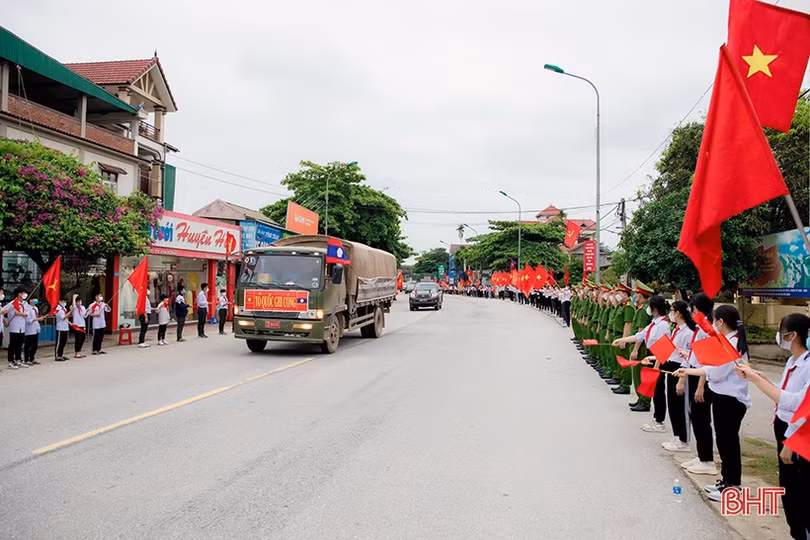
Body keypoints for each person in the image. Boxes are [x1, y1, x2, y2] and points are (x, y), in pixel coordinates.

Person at [735, 313, 810, 539]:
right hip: (784, 426)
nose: (779, 336)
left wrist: (791, 441)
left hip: (798, 433)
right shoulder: (792, 361)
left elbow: (799, 404)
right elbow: (782, 391)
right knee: (788, 489)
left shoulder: (808, 365)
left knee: (800, 491)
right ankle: (796, 532)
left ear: (792, 335)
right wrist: (758, 377)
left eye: (781, 330)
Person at [678, 305, 751, 502]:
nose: (711, 325)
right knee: (724, 442)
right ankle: (726, 481)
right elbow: (712, 368)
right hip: (724, 397)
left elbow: (716, 373)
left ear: (721, 322)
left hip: (730, 399)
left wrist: (691, 371)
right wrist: (690, 368)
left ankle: (733, 486)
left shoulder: (731, 343)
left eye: (714, 321)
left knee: (728, 443)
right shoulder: (728, 340)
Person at [613, 294, 671, 431]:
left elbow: (663, 346)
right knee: (654, 389)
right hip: (651, 356)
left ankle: (660, 421)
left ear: (655, 308)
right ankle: (657, 418)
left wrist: (656, 366)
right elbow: (640, 336)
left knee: (658, 390)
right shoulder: (654, 323)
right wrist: (623, 340)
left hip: (657, 357)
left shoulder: (662, 325)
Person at [677, 293, 717, 475]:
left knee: (702, 419)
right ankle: (701, 455)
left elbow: (707, 362)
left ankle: (708, 461)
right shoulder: (700, 329)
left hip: (701, 377)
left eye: (693, 311)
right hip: (693, 372)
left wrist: (701, 385)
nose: (691, 315)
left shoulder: (708, 330)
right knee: (696, 416)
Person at [654, 300, 695, 453]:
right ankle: (677, 436)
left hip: (681, 369)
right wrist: (655, 361)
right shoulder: (677, 329)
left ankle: (684, 440)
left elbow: (688, 358)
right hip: (671, 366)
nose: (671, 313)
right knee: (672, 404)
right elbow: (669, 349)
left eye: (672, 310)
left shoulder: (688, 333)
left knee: (680, 406)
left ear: (678, 313)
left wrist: (682, 380)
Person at [5, 288, 28, 369]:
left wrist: (22, 314)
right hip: (14, 327)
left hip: (22, 327)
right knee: (12, 345)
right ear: (19, 294)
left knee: (20, 344)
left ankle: (18, 360)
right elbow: (3, 311)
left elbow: (26, 313)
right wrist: (5, 322)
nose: (25, 294)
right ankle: (10, 361)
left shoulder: (25, 303)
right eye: (23, 292)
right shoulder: (12, 303)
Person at [24, 296, 44, 366]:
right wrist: (37, 319)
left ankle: (32, 358)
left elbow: (36, 318)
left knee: (35, 345)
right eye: (33, 299)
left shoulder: (36, 308)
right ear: (30, 300)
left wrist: (38, 326)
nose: (35, 300)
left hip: (35, 329)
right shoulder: (27, 308)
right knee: (28, 345)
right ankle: (27, 359)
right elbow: (28, 320)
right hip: (29, 330)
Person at [54, 297, 74, 361]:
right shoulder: (58, 309)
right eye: (62, 301)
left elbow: (66, 318)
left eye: (65, 301)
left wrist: (69, 322)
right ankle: (57, 355)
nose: (64, 303)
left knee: (63, 342)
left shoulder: (64, 309)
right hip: (60, 327)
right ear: (59, 301)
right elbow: (63, 317)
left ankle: (61, 354)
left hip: (65, 327)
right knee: (59, 342)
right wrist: (71, 311)